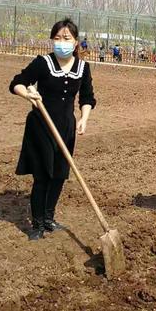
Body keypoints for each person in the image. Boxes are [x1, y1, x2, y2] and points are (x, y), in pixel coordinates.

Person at [9, 18, 96, 240]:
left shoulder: (83, 68)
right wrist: (27, 93)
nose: (61, 42)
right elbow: (17, 82)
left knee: (59, 175)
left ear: (76, 42)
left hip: (66, 127)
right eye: (57, 38)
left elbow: (87, 97)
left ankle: (48, 218)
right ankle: (37, 224)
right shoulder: (42, 63)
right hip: (41, 126)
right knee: (42, 176)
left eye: (66, 38)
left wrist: (84, 119)